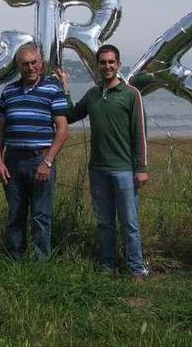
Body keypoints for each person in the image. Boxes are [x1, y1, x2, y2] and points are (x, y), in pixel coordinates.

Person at [61, 44, 150, 279]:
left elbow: (140, 132)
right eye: (103, 62)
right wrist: (65, 90)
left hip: (124, 170)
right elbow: (71, 115)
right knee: (104, 222)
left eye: (111, 62)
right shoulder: (92, 94)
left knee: (130, 223)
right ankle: (108, 266)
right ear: (97, 66)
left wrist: (141, 168)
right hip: (98, 170)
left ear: (118, 65)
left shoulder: (131, 94)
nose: (107, 66)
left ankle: (136, 269)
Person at [0, 43, 69, 260]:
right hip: (12, 161)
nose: (30, 68)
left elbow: (63, 131)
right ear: (18, 67)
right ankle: (15, 259)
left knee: (40, 216)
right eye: (25, 64)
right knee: (15, 214)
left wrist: (48, 162)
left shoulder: (53, 89)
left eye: (33, 63)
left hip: (40, 160)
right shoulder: (8, 91)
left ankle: (41, 263)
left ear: (41, 64)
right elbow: (0, 131)